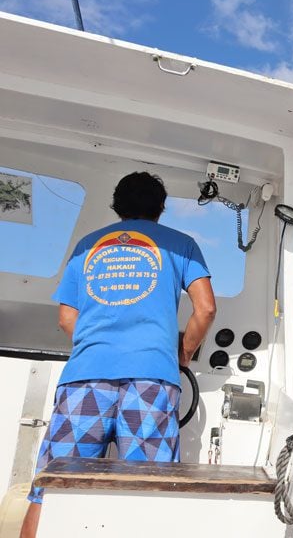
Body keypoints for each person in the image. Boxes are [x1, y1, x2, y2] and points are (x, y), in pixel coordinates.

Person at [20, 172, 216, 537]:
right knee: (149, 491)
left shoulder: (88, 246)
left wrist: (99, 346)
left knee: (51, 489)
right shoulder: (182, 244)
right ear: (161, 208)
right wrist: (183, 354)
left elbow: (66, 318)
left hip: (85, 379)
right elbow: (204, 310)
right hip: (152, 380)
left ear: (117, 206)